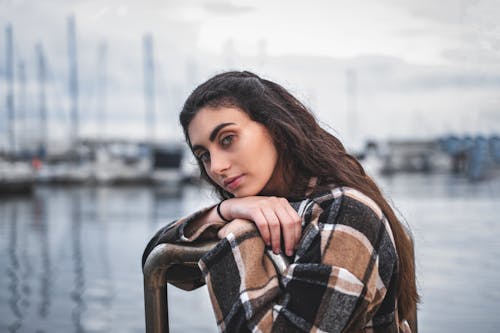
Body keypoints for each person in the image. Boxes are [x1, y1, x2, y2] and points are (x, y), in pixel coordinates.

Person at [142, 71, 419, 333]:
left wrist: (240, 232)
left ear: (275, 128)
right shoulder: (278, 206)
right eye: (204, 155)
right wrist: (225, 211)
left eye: (227, 139)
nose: (216, 167)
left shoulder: (344, 211)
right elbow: (159, 260)